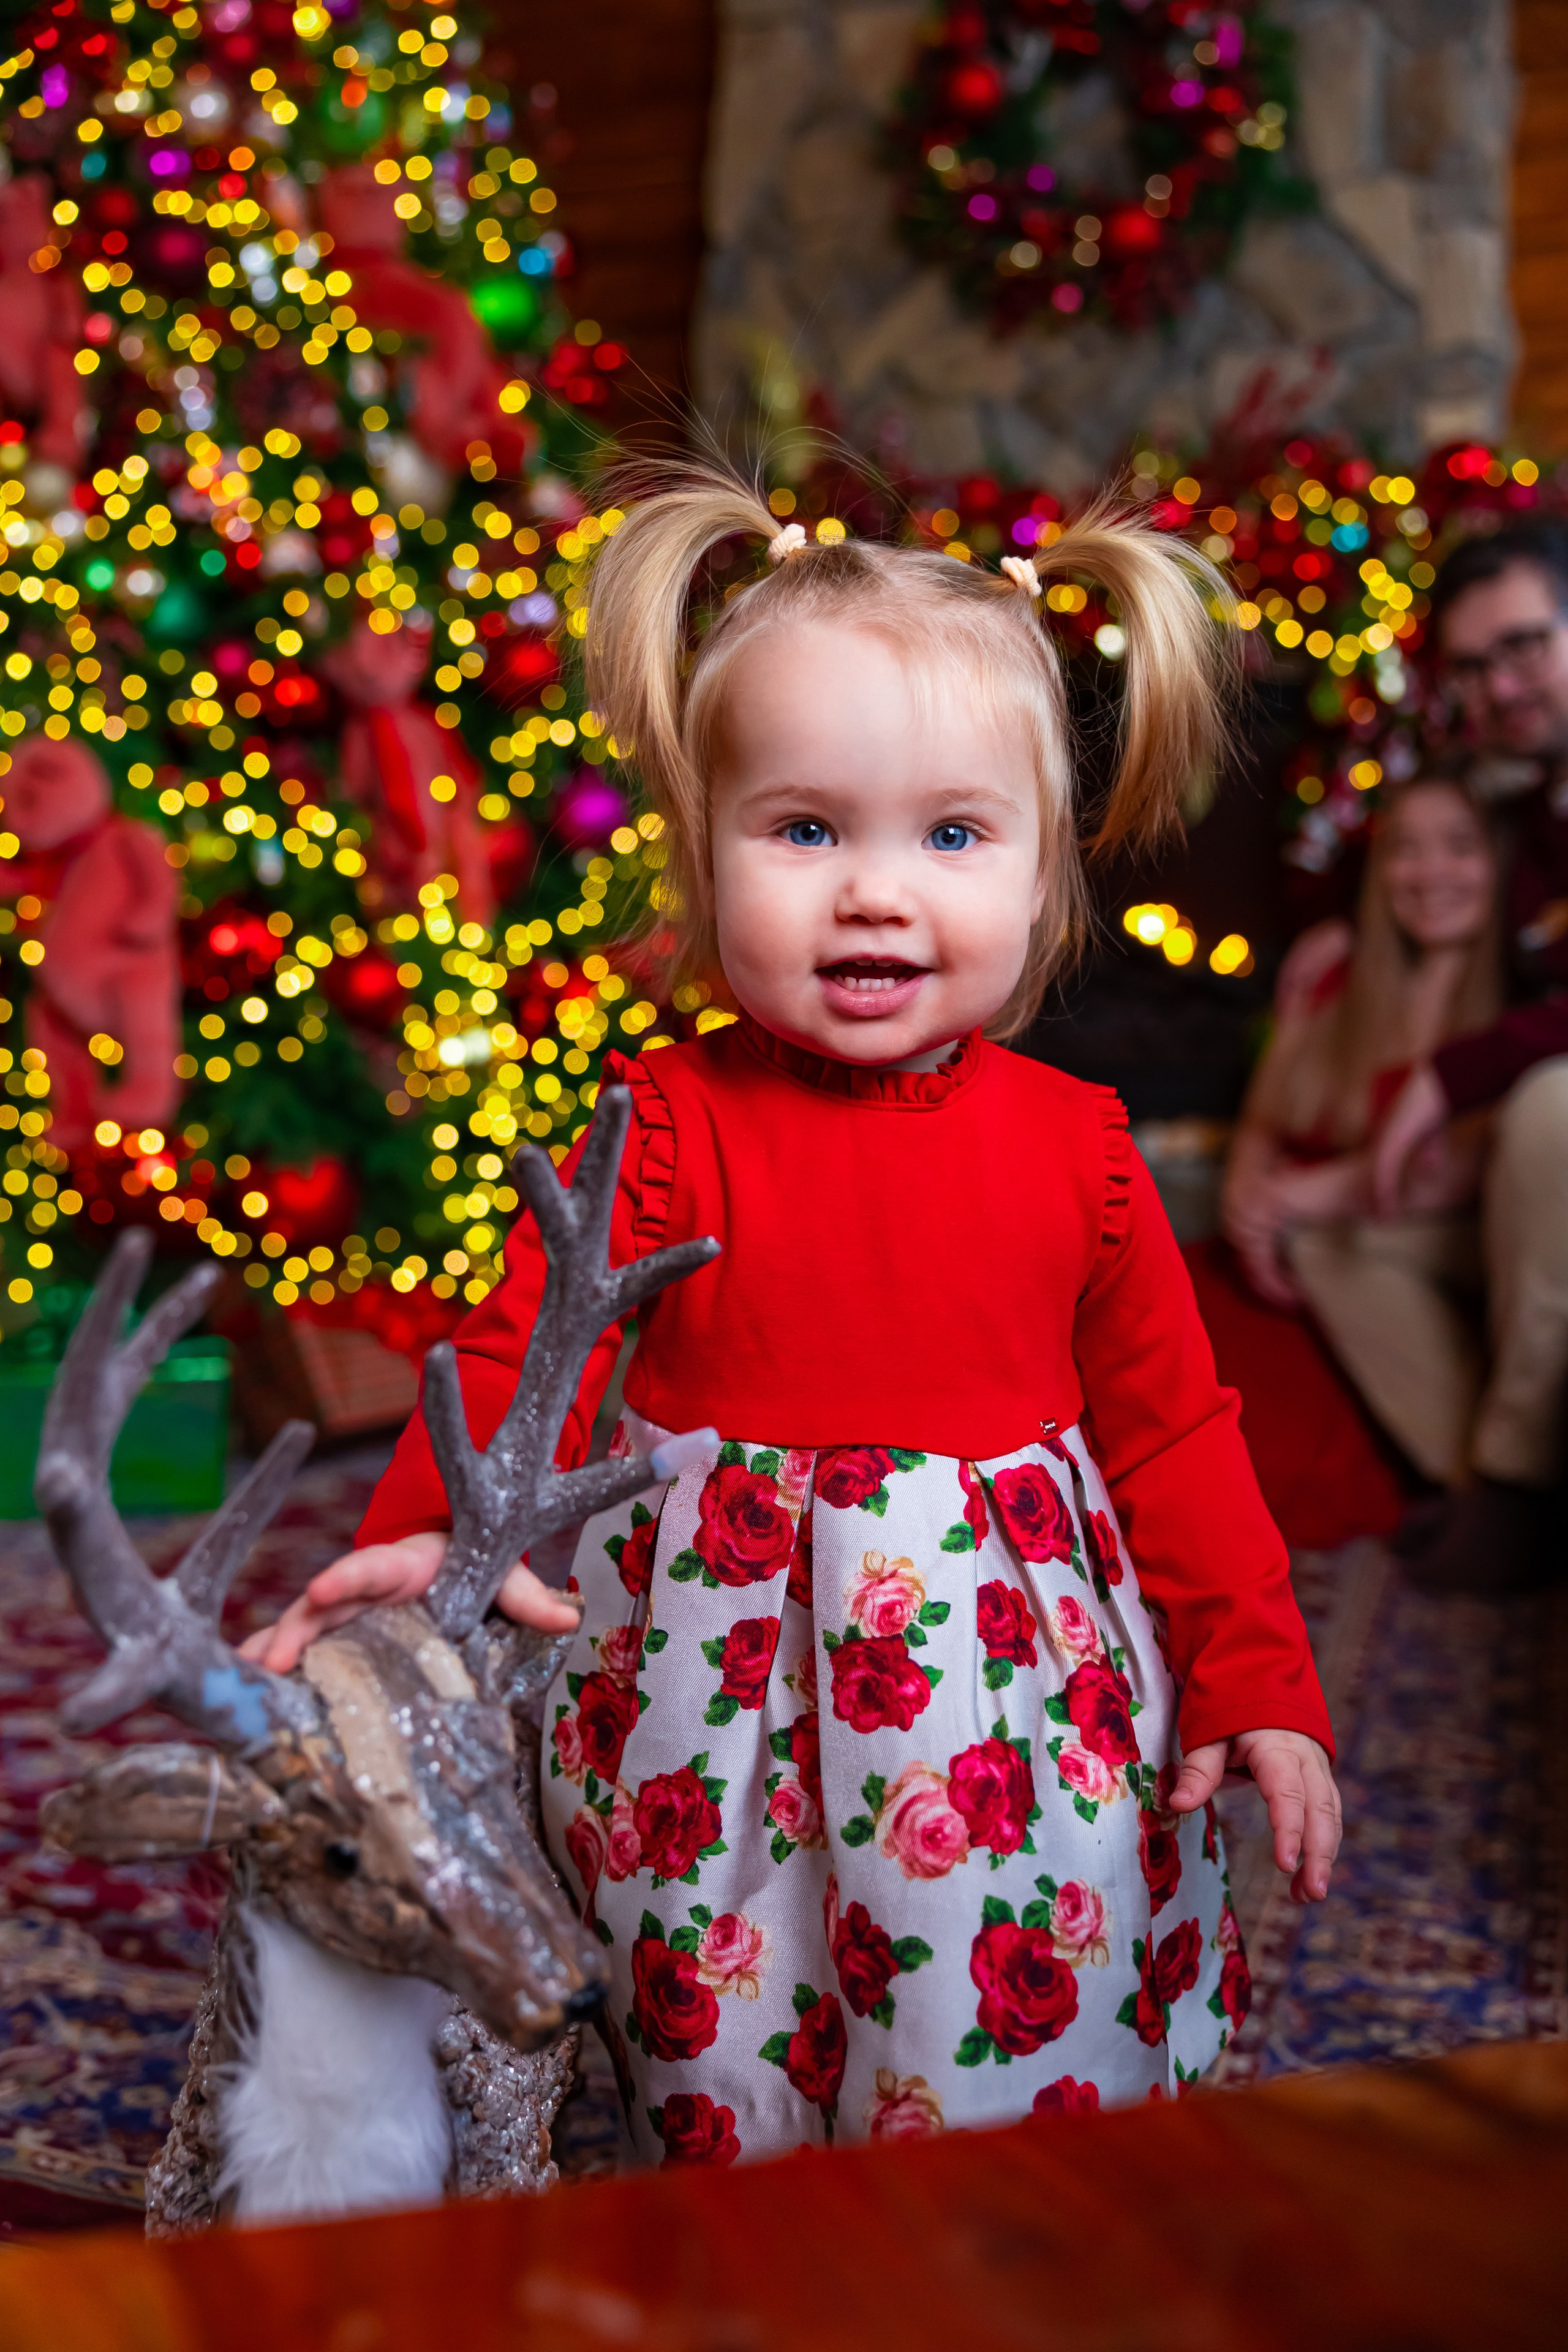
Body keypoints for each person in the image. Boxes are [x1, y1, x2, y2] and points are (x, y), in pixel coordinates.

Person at [244, 473, 1337, 2156]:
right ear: (701, 853)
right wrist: (423, 1548)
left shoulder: (1081, 1152)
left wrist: (1256, 1673)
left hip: (1004, 1704)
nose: (875, 893)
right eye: (806, 829)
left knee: (1016, 1983)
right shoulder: (663, 1126)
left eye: (953, 835)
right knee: (719, 2017)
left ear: (1047, 879)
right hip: (715, 1689)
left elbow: (1178, 1430)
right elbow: (516, 1370)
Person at [1373, 518, 1568, 1585]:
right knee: (1345, 1241)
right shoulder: (1528, 812)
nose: (1503, 686)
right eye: (1477, 665)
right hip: (1522, 1179)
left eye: (1528, 645)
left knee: (1552, 1106)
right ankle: (1482, 1477)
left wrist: (1444, 1084)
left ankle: (1509, 1480)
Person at [1222, 776, 1502, 1487]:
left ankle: (1485, 1485)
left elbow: (1466, 1167)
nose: (1431, 873)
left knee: (1331, 1253)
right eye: (1406, 851)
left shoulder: (1521, 993)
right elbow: (1263, 1121)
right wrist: (1246, 1205)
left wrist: (1293, 1201)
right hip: (1307, 1253)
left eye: (1459, 848)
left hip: (1441, 1238)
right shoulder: (1336, 971)